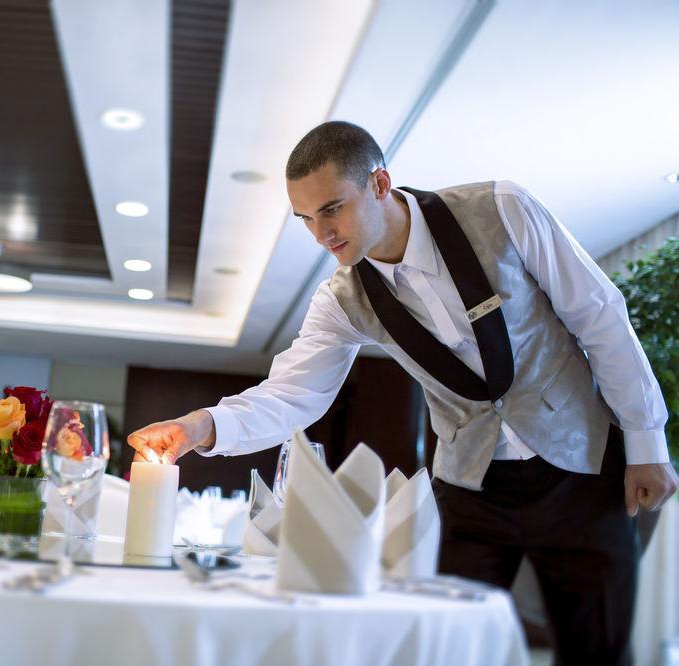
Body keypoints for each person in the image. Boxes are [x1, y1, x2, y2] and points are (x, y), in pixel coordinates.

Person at [127, 121, 678, 664]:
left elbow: (598, 315)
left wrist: (646, 441)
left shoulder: (502, 208)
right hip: (471, 488)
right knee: (443, 647)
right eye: (306, 218)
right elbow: (295, 392)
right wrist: (204, 425)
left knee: (599, 651)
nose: (321, 234)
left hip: (580, 466)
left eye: (332, 209)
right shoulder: (341, 298)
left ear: (380, 184)